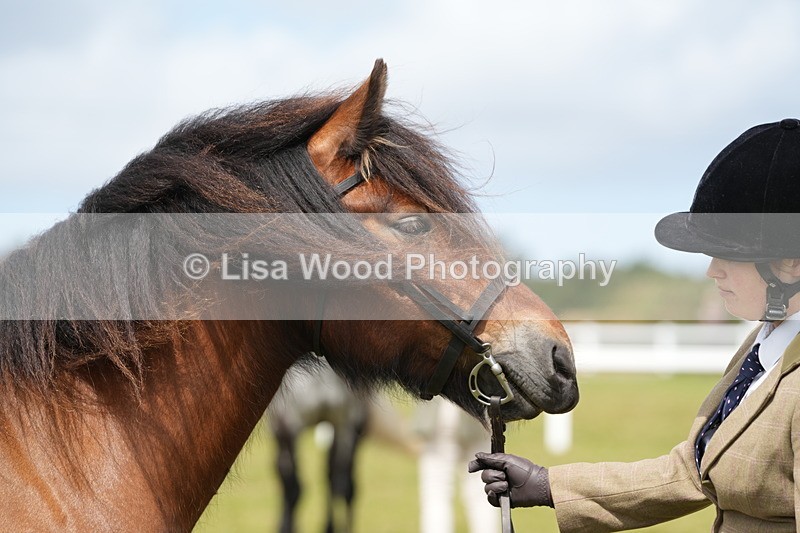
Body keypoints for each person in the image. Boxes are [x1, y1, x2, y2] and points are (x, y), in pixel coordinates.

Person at [468, 118, 800, 532]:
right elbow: (693, 472)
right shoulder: (765, 345)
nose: (712, 272)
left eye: (728, 255)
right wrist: (549, 486)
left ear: (789, 262)